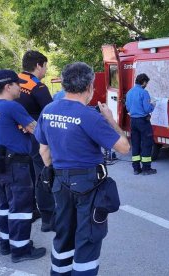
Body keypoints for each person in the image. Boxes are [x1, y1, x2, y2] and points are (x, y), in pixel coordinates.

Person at [34, 62, 130, 275]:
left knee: (64, 235)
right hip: (88, 186)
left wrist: (55, 171)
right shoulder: (90, 116)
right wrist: (111, 120)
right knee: (88, 238)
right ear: (89, 87)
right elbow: (124, 147)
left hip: (60, 183)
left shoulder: (48, 110)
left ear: (64, 85)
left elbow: (43, 151)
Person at [0, 69, 46, 263]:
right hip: (16, 164)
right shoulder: (12, 107)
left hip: (1, 161)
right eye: (17, 84)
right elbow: (37, 130)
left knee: (5, 205)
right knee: (21, 207)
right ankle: (21, 250)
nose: (20, 87)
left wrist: (22, 127)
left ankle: (5, 243)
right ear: (8, 86)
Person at [16, 50, 55, 232]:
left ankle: (31, 210)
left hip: (16, 138)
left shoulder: (13, 82)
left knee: (26, 176)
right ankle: (48, 218)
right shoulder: (37, 86)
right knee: (42, 176)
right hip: (36, 136)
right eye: (45, 66)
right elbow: (50, 114)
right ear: (38, 65)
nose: (45, 70)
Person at [125, 73, 157, 175]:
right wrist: (153, 105)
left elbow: (128, 108)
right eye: (146, 83)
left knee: (135, 144)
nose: (146, 84)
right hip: (143, 121)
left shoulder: (129, 92)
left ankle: (136, 168)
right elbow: (147, 109)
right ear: (143, 82)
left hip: (133, 121)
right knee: (147, 144)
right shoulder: (144, 93)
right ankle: (146, 169)